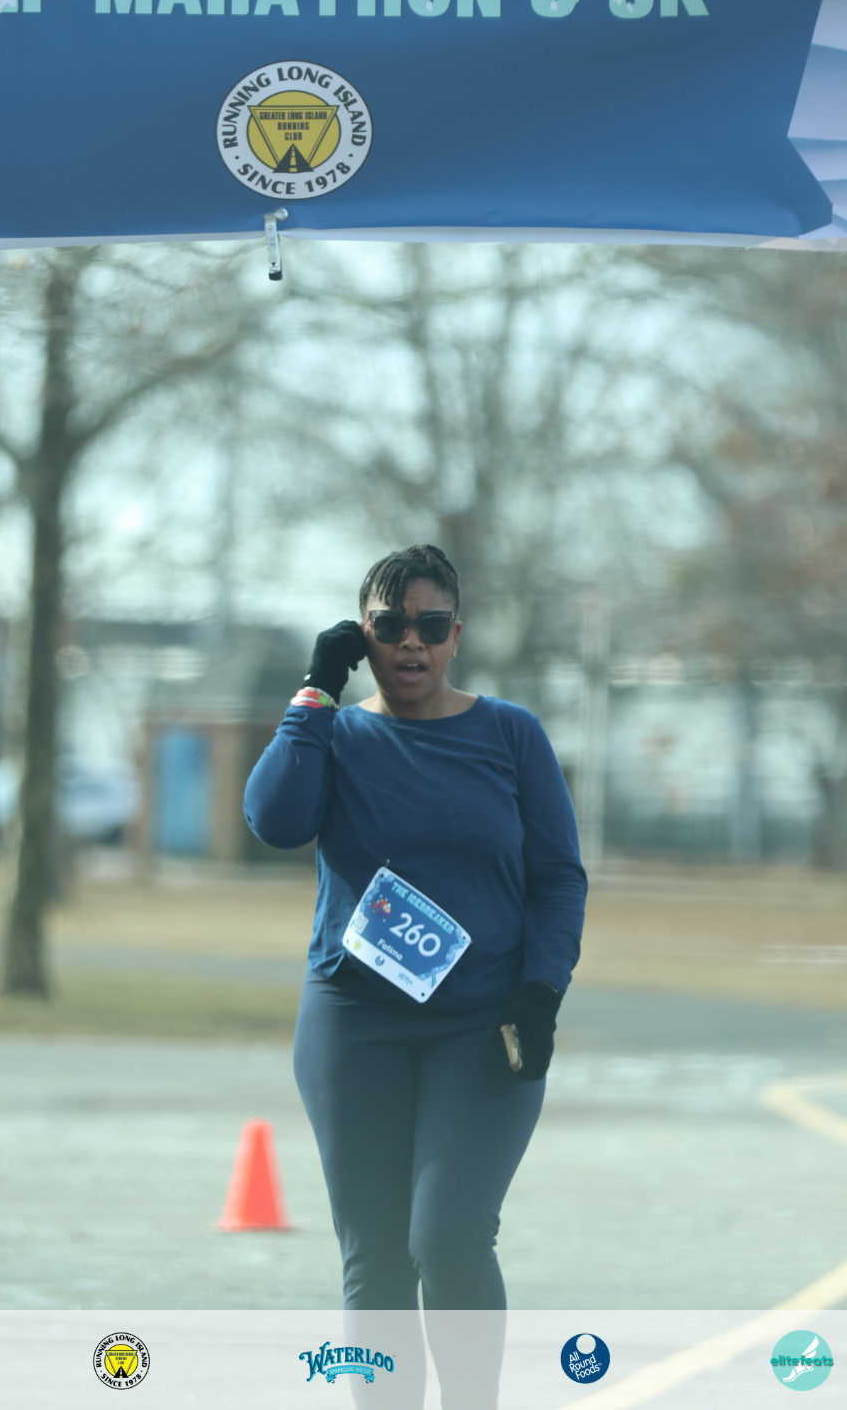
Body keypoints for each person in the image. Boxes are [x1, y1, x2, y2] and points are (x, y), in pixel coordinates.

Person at [244, 544, 587, 1410]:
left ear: (456, 636)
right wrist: (315, 692)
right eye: (390, 625)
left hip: (484, 1021)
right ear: (362, 635)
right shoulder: (336, 735)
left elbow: (558, 877)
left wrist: (542, 990)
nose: (411, 642)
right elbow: (275, 819)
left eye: (431, 626)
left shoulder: (511, 735)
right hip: (354, 1022)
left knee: (447, 1237)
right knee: (375, 1256)